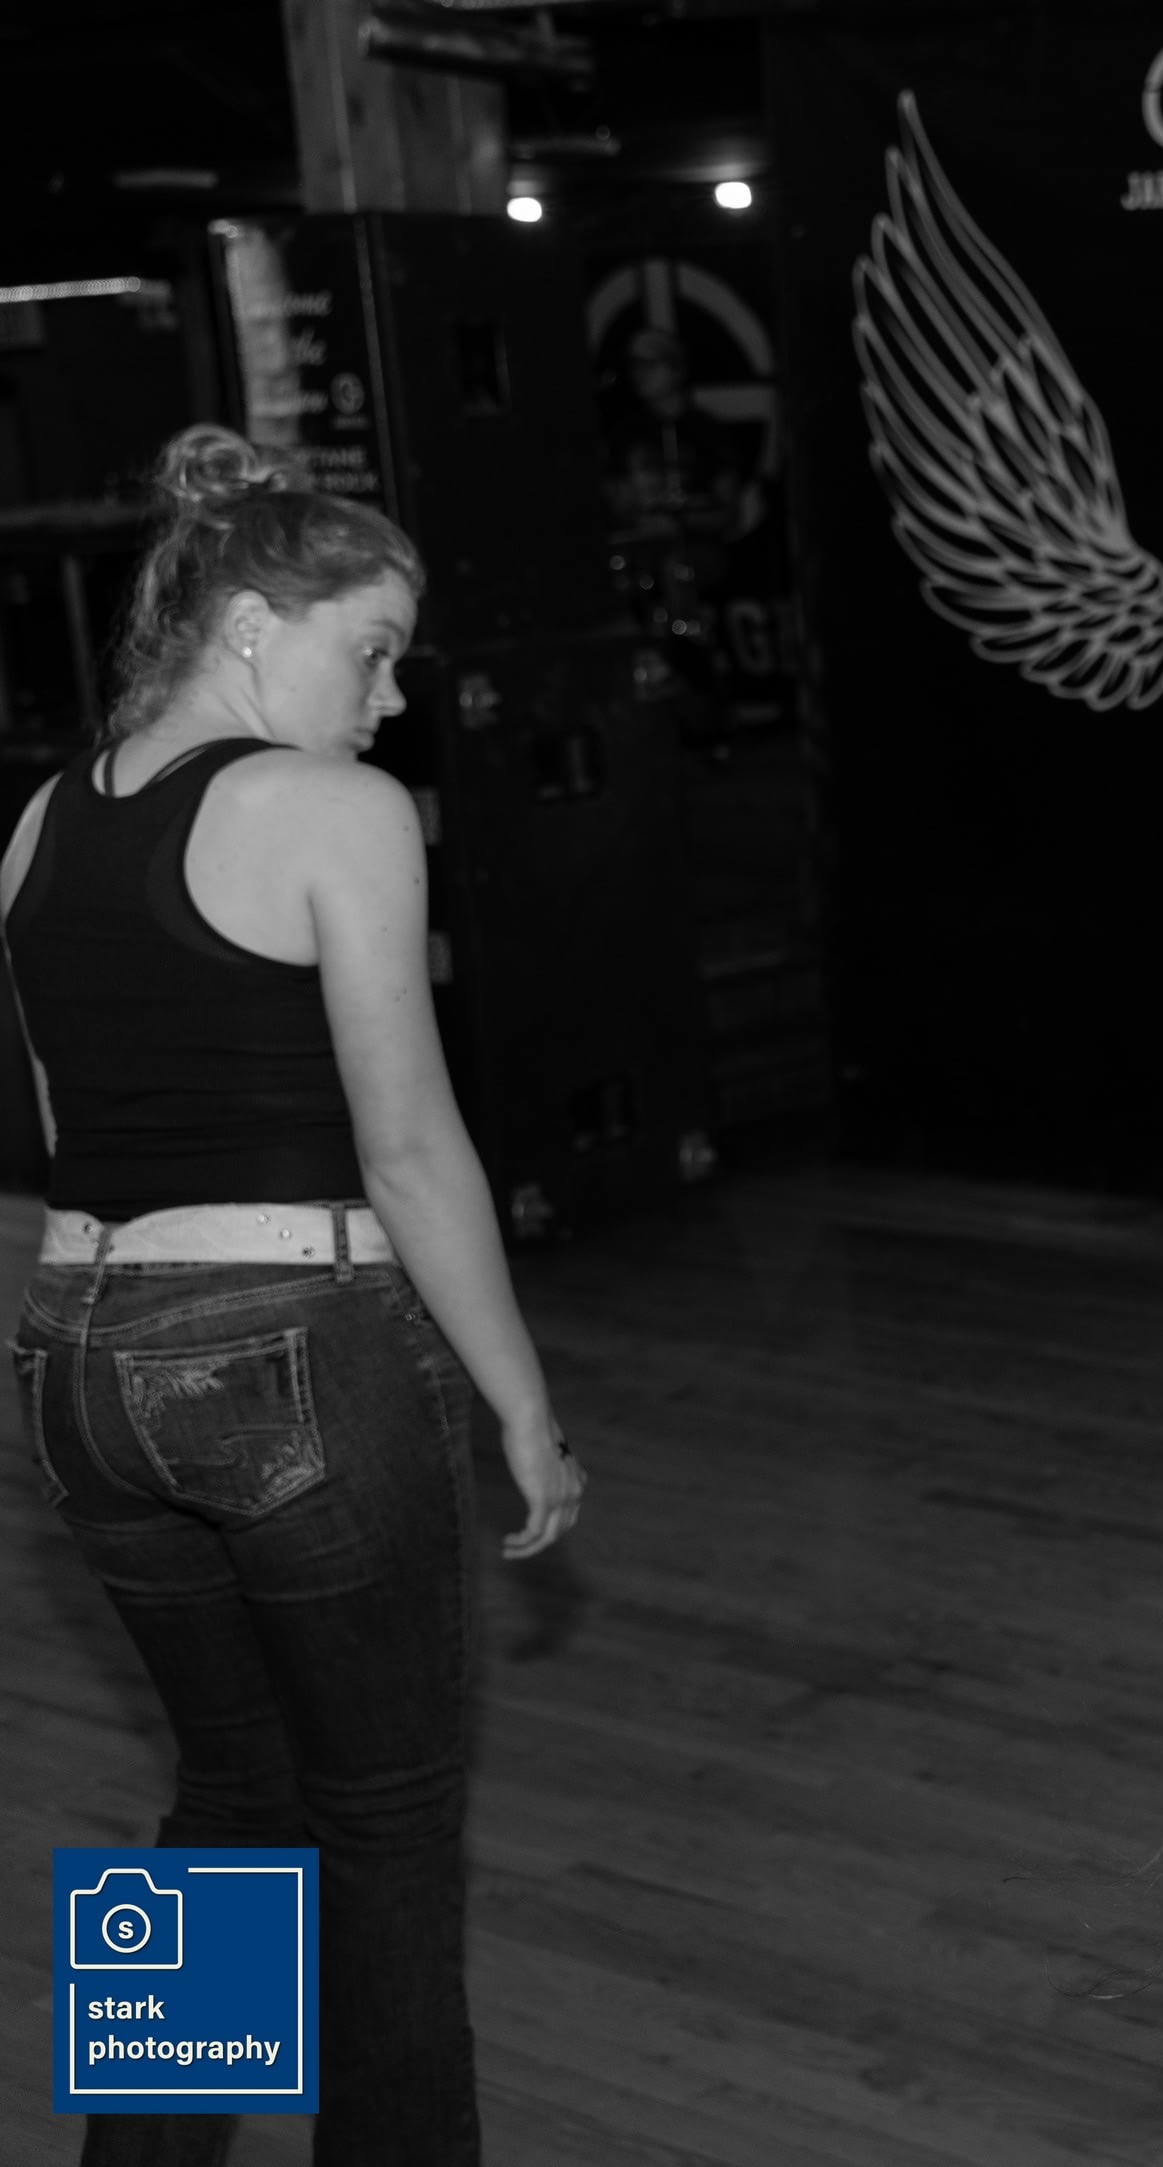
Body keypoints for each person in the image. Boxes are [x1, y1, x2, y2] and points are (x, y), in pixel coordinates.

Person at [4, 426, 583, 2166]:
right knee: (384, 1824)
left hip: (74, 1364)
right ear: (254, 623)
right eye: (374, 650)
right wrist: (522, 1399)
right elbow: (408, 1149)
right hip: (291, 1355)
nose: (393, 701)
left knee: (229, 1795)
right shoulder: (336, 811)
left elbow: (62, 1137)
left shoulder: (35, 824)